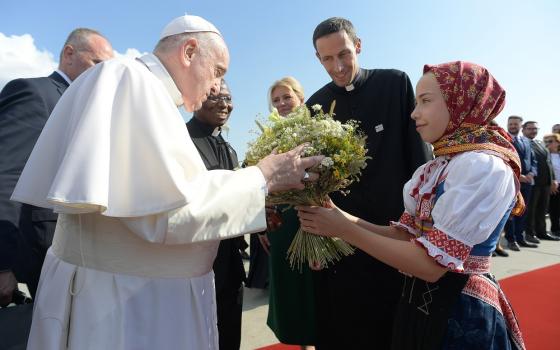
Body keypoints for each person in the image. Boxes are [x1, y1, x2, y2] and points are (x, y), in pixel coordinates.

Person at [11, 15, 322, 350]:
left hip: (129, 294)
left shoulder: (147, 91)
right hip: (123, 306)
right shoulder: (130, 80)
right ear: (189, 51)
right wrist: (264, 176)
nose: (217, 86)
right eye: (217, 70)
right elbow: (168, 211)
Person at [298, 61, 526, 350]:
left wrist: (343, 229)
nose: (414, 113)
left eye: (425, 101)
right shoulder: (440, 166)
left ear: (460, 103)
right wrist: (339, 215)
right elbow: (406, 236)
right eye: (416, 102)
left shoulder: (482, 166)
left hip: (460, 313)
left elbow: (430, 266)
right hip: (421, 306)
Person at [304, 17, 431, 349]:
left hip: (394, 233)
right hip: (342, 241)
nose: (338, 66)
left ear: (358, 46)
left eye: (344, 54)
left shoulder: (395, 84)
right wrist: (316, 239)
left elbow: (419, 161)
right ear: (318, 59)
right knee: (346, 327)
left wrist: (422, 228)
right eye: (328, 59)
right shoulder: (314, 107)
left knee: (395, 328)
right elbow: (313, 183)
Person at [0, 28, 113, 307]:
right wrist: (3, 265)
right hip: (40, 257)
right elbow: (7, 176)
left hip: (78, 257)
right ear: (69, 54)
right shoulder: (34, 94)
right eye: (97, 64)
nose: (103, 75)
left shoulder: (88, 107)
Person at [186, 79, 245, 350]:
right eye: (214, 97)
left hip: (231, 265)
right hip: (199, 265)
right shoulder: (182, 141)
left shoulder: (228, 147)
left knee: (230, 335)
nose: (223, 103)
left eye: (228, 97)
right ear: (196, 98)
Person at [264, 77, 316, 349]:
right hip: (283, 224)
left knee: (315, 287)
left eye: (287, 97)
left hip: (314, 217)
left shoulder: (317, 130)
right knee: (290, 285)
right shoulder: (268, 137)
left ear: (300, 98)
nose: (282, 104)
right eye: (276, 100)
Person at [504, 115, 539, 251]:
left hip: (527, 183)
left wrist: (531, 173)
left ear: (521, 126)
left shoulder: (526, 141)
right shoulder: (504, 140)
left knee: (523, 211)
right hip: (512, 182)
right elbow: (505, 160)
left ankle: (520, 238)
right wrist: (519, 176)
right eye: (510, 124)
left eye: (515, 124)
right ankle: (511, 240)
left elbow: (533, 160)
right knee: (511, 213)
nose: (512, 126)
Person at [523, 121, 560, 241]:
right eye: (530, 129)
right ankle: (530, 233)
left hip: (545, 184)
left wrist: (553, 179)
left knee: (542, 210)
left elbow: (548, 163)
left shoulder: (540, 144)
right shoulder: (522, 143)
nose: (533, 131)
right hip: (533, 183)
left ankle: (542, 232)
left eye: (535, 129)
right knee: (531, 210)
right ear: (524, 130)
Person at [544, 133, 560, 235]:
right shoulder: (546, 155)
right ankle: (555, 229)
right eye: (546, 141)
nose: (548, 143)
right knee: (555, 208)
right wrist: (551, 182)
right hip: (553, 185)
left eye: (550, 141)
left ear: (558, 143)